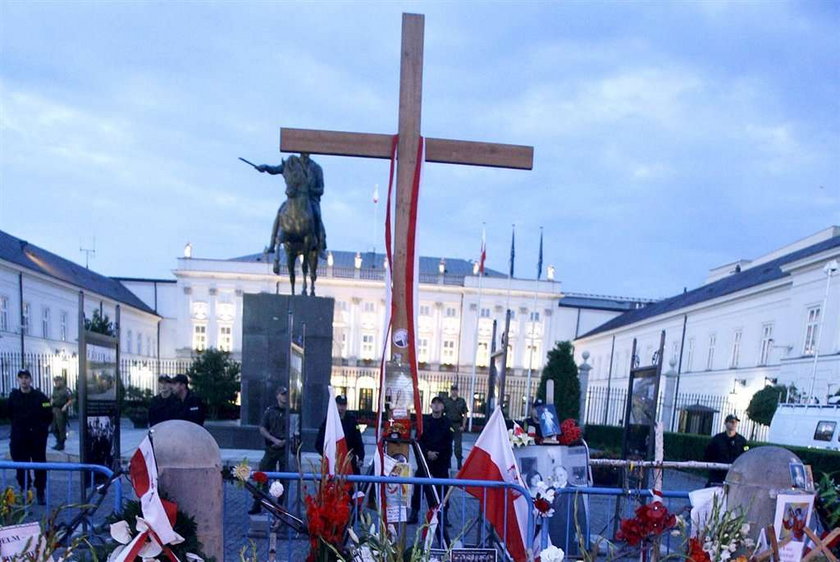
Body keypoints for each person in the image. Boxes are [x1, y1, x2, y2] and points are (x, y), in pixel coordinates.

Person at [257, 153, 327, 257]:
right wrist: (265, 167)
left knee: (317, 215)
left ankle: (320, 247)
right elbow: (276, 169)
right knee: (280, 212)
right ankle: (272, 244)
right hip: (293, 199)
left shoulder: (316, 168)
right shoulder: (292, 164)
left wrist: (310, 190)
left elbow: (321, 190)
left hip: (311, 200)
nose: (305, 153)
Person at [9, 369, 52, 504]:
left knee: (39, 465)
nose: (24, 380)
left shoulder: (40, 397)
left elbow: (48, 414)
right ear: (18, 380)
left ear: (31, 380)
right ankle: (25, 490)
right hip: (19, 438)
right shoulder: (14, 396)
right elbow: (7, 412)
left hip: (36, 439)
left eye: (26, 377)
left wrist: (42, 430)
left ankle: (40, 491)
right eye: (21, 378)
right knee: (21, 466)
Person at [408, 396, 453, 525]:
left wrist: (437, 455)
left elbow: (448, 443)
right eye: (434, 403)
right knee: (418, 486)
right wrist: (427, 453)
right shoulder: (424, 421)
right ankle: (414, 513)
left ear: (443, 407)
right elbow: (418, 441)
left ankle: (443, 515)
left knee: (442, 489)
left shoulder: (447, 423)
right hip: (425, 460)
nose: (437, 406)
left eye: (439, 403)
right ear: (431, 406)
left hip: (440, 461)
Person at [250, 386, 291, 515]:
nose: (285, 397)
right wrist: (274, 440)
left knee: (284, 479)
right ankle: (258, 503)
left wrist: (284, 441)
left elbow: (294, 429)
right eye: (282, 394)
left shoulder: (291, 412)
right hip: (271, 448)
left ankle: (280, 507)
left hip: (284, 450)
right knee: (262, 476)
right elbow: (262, 428)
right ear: (277, 396)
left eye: (286, 394)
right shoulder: (270, 411)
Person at [315, 395, 365, 474]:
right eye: (339, 405)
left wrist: (361, 457)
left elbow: (358, 440)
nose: (341, 408)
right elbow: (319, 441)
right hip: (333, 461)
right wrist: (327, 455)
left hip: (349, 461)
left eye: (344, 405)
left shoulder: (352, 420)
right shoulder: (329, 420)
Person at [703, 414, 748, 486]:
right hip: (717, 475)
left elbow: (746, 455)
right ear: (725, 423)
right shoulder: (717, 439)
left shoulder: (742, 441)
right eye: (731, 422)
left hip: (734, 475)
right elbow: (708, 453)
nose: (734, 424)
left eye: (735, 422)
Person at [443, 384, 469, 469]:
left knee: (458, 446)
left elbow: (465, 413)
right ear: (451, 391)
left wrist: (463, 425)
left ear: (457, 391)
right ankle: (448, 462)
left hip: (457, 425)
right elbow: (442, 413)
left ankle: (459, 462)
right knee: (447, 444)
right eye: (453, 390)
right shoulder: (446, 401)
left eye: (455, 390)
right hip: (448, 425)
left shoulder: (461, 401)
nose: (454, 391)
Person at [50, 375, 73, 451]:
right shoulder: (55, 389)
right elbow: (53, 397)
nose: (56, 383)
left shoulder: (66, 390)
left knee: (61, 428)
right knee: (53, 428)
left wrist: (66, 406)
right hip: (54, 409)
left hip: (61, 410)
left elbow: (71, 400)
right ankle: (58, 441)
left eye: (58, 381)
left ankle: (61, 444)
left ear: (62, 381)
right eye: (55, 381)